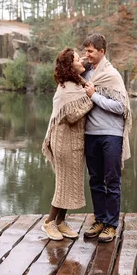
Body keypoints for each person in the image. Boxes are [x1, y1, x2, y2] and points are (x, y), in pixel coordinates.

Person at [81, 33, 132, 243]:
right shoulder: (85, 73)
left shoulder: (112, 75)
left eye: (91, 51)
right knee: (95, 180)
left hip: (111, 134)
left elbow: (121, 107)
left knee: (112, 181)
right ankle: (100, 220)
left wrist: (94, 96)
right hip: (91, 134)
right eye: (86, 51)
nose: (87, 54)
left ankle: (111, 225)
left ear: (102, 52)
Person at [41, 48, 93, 241]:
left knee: (70, 184)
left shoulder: (77, 83)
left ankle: (61, 222)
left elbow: (85, 66)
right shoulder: (66, 89)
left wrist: (87, 59)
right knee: (63, 185)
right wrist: (91, 98)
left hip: (75, 142)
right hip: (63, 143)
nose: (82, 61)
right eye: (78, 59)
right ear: (70, 66)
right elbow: (72, 116)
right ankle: (48, 223)